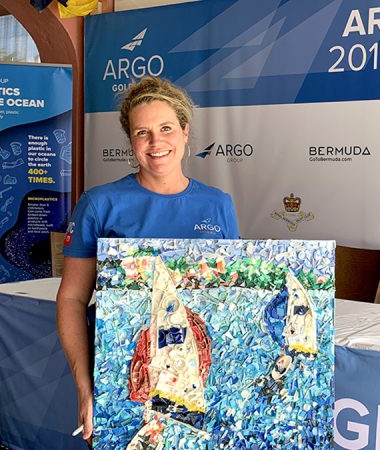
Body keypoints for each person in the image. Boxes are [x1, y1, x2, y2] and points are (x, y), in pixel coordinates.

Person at [56, 77, 239, 442]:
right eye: (143, 133)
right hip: (122, 378)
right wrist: (85, 384)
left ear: (185, 133)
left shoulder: (219, 205)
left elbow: (226, 303)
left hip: (196, 378)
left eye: (166, 128)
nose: (156, 142)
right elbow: (72, 298)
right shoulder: (99, 204)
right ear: (131, 142)